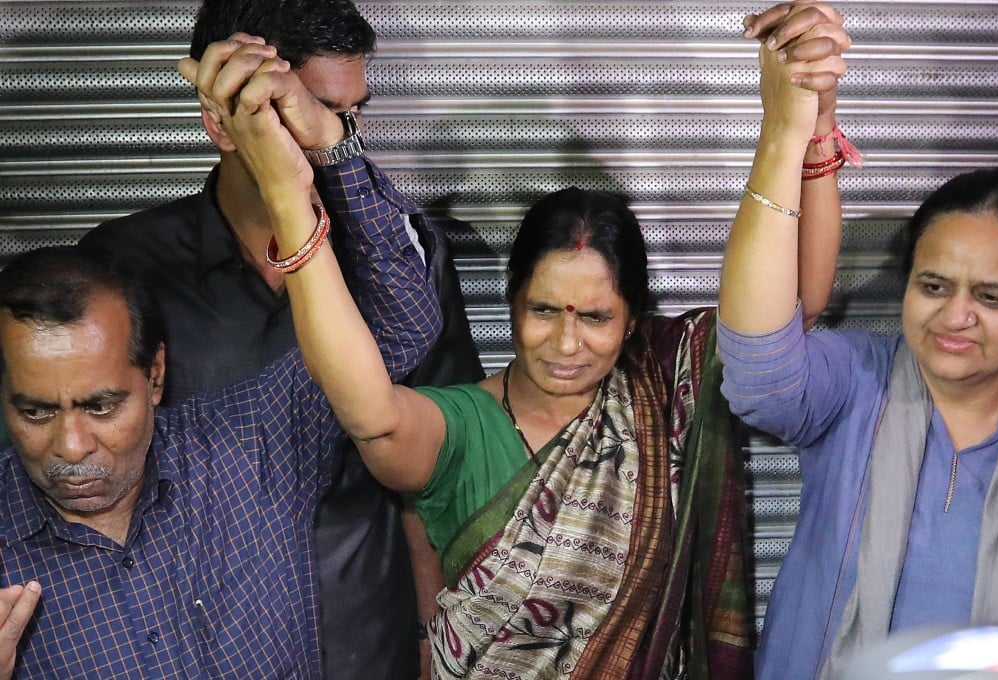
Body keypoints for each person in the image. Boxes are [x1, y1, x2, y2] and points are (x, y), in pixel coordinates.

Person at [180, 3, 851, 677]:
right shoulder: (465, 425)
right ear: (511, 304)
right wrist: (292, 201)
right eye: (543, 311)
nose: (566, 342)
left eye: (596, 318)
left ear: (634, 319)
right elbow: (369, 411)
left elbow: (792, 306)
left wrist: (805, 126)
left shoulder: (668, 380)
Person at [79, 0, 484, 676]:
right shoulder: (122, 271)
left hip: (368, 644)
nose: (339, 140)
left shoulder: (399, 264)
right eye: (311, 115)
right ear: (223, 121)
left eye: (353, 117)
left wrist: (429, 640)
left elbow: (438, 474)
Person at [0, 165, 439, 676]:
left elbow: (403, 322)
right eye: (36, 412)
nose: (72, 447)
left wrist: (325, 152)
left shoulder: (249, 446)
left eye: (101, 407)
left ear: (155, 374)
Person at [717, 8, 998, 680]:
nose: (956, 316)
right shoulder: (859, 383)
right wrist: (789, 131)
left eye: (993, 297)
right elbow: (758, 363)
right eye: (934, 285)